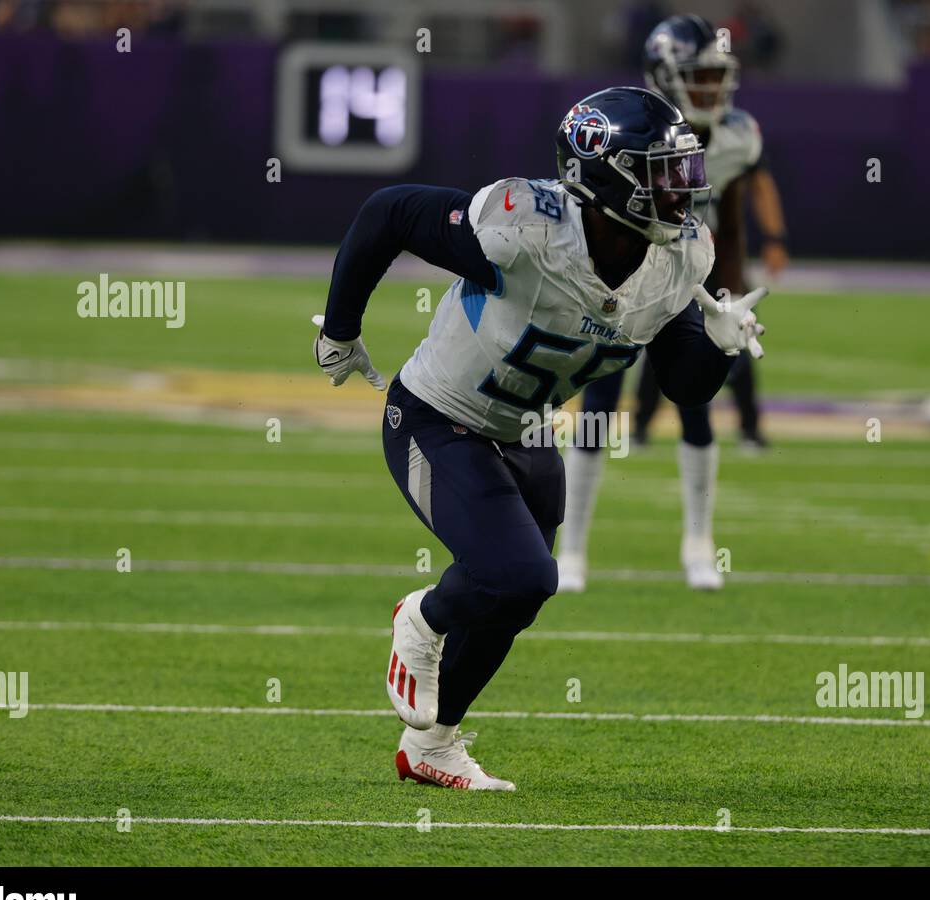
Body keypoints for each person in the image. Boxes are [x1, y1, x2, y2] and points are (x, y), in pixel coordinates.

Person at [312, 86, 766, 787]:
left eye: (682, 170)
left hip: (526, 434)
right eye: (659, 172)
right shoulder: (526, 226)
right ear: (607, 175)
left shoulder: (676, 258)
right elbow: (391, 213)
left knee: (517, 595)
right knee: (521, 573)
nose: (681, 189)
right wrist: (341, 327)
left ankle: (433, 747)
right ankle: (423, 617)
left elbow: (684, 385)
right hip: (435, 417)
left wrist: (720, 345)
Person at [558, 14, 771, 594]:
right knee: (598, 405)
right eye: (700, 76)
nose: (714, 88)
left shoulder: (735, 137)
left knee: (697, 403)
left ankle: (699, 541)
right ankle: (571, 548)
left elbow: (728, 226)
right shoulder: (634, 124)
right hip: (622, 280)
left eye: (717, 76)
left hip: (684, 281)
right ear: (665, 75)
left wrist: (726, 296)